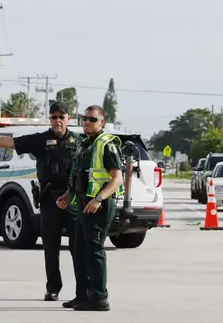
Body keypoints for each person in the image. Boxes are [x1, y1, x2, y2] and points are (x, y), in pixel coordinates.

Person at [0, 102, 84, 302]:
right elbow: (10, 143)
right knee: (51, 248)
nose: (57, 121)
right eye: (54, 117)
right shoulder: (41, 139)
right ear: (50, 119)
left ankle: (82, 291)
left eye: (61, 117)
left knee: (78, 248)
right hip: (50, 200)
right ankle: (53, 288)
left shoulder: (78, 142)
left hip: (72, 200)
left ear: (68, 119)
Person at [56, 105, 124, 312]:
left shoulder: (106, 144)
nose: (87, 122)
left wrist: (99, 199)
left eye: (92, 119)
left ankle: (99, 297)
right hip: (83, 204)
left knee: (94, 250)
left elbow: (117, 178)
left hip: (99, 206)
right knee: (79, 250)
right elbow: (80, 177)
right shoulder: (84, 145)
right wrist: (67, 196)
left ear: (101, 123)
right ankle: (82, 295)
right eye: (84, 118)